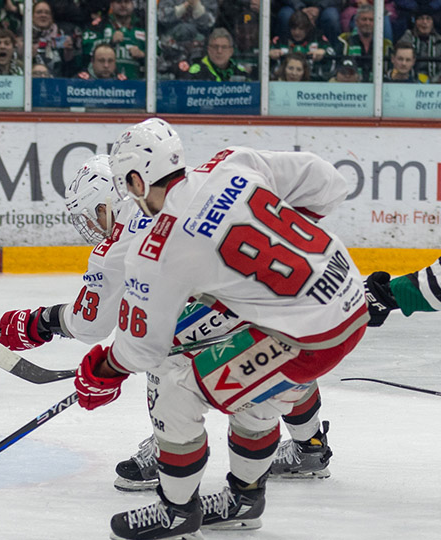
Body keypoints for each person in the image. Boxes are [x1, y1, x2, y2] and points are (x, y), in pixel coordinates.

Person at [66, 118, 368, 539]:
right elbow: (328, 181)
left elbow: (143, 348)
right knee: (254, 395)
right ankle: (244, 500)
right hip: (349, 291)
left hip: (310, 337)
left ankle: (176, 509)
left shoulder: (160, 247)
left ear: (136, 179)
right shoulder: (232, 164)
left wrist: (103, 370)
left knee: (174, 385)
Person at [80, 0, 146, 81]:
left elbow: (159, 57)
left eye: (127, 2)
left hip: (137, 83)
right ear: (111, 5)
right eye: (118, 2)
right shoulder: (99, 25)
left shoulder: (143, 26)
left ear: (133, 4)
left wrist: (143, 55)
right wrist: (109, 42)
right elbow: (86, 52)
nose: (123, 5)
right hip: (105, 84)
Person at [337, 4, 393, 82]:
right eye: (364, 19)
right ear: (356, 22)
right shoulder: (345, 42)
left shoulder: (385, 45)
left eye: (371, 20)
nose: (367, 23)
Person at [183, 27, 252, 81]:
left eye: (224, 47)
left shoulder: (240, 72)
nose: (219, 51)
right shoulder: (195, 72)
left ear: (231, 51)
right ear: (209, 50)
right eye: (215, 47)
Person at [400, 8, 441, 82]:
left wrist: (435, 80)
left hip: (435, 84)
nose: (424, 22)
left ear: (432, 23)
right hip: (409, 83)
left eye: (428, 19)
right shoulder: (407, 38)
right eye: (421, 18)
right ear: (415, 22)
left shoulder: (439, 41)